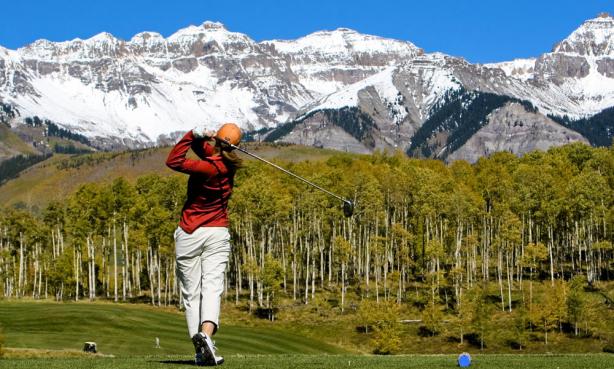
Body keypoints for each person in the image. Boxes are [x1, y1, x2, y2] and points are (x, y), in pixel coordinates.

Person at [165, 123, 243, 366]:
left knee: (192, 294)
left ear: (218, 141)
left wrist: (191, 134)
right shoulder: (228, 165)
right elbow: (205, 152)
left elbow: (173, 161)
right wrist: (202, 139)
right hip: (217, 232)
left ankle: (200, 349)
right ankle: (206, 337)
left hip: (190, 232)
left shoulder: (207, 168)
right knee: (212, 287)